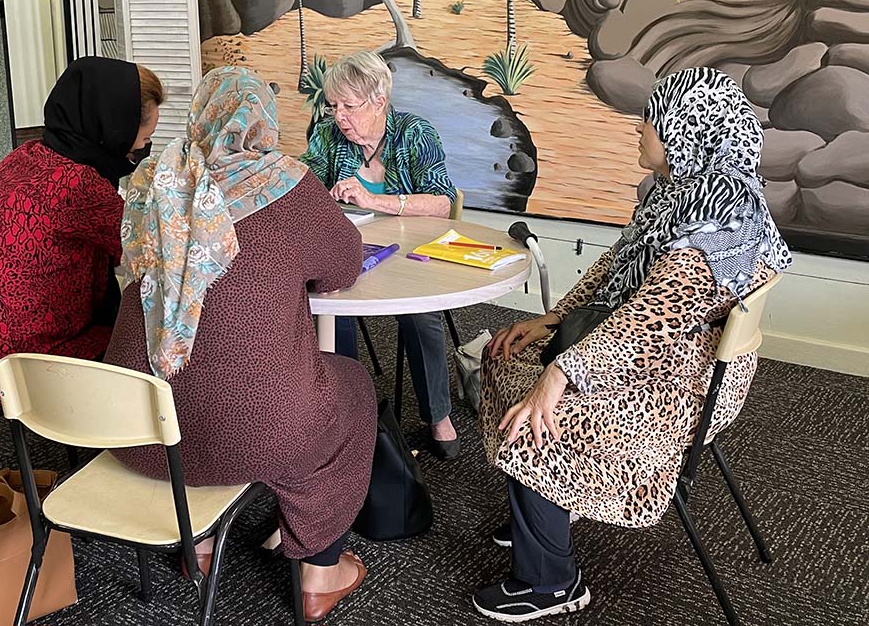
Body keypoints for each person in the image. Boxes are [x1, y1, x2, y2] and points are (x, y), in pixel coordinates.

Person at [472, 68, 792, 621]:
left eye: (650, 117)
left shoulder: (725, 210)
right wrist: (553, 320)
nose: (639, 128)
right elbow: (616, 271)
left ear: (686, 129)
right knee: (508, 361)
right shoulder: (681, 192)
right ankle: (543, 507)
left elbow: (656, 316)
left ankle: (550, 582)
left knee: (540, 412)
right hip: (663, 353)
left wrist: (563, 373)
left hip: (683, 380)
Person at [105, 67, 375, 623]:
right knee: (350, 389)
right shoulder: (287, 185)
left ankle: (197, 545)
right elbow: (343, 264)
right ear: (264, 121)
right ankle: (320, 572)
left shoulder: (149, 182)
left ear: (200, 115)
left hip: (136, 425)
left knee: (208, 382)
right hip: (256, 428)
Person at [0, 57, 163, 403]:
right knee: (137, 337)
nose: (142, 149)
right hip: (6, 366)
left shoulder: (24, 157)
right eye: (143, 138)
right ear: (113, 126)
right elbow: (152, 249)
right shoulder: (80, 185)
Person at [300, 50, 462, 459]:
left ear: (379, 102)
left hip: (412, 251)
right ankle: (351, 411)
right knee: (331, 308)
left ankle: (438, 415)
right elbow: (305, 188)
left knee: (421, 316)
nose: (339, 116)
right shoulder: (327, 135)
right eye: (334, 105)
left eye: (349, 106)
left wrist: (379, 200)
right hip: (350, 248)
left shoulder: (414, 133)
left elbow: (442, 203)